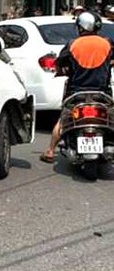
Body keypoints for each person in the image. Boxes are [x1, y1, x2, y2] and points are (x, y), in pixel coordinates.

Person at [40, 11, 114, 163]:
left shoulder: (72, 44)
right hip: (102, 92)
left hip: (76, 92)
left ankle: (50, 151)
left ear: (81, 27)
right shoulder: (107, 42)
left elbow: (59, 63)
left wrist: (61, 71)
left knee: (64, 119)